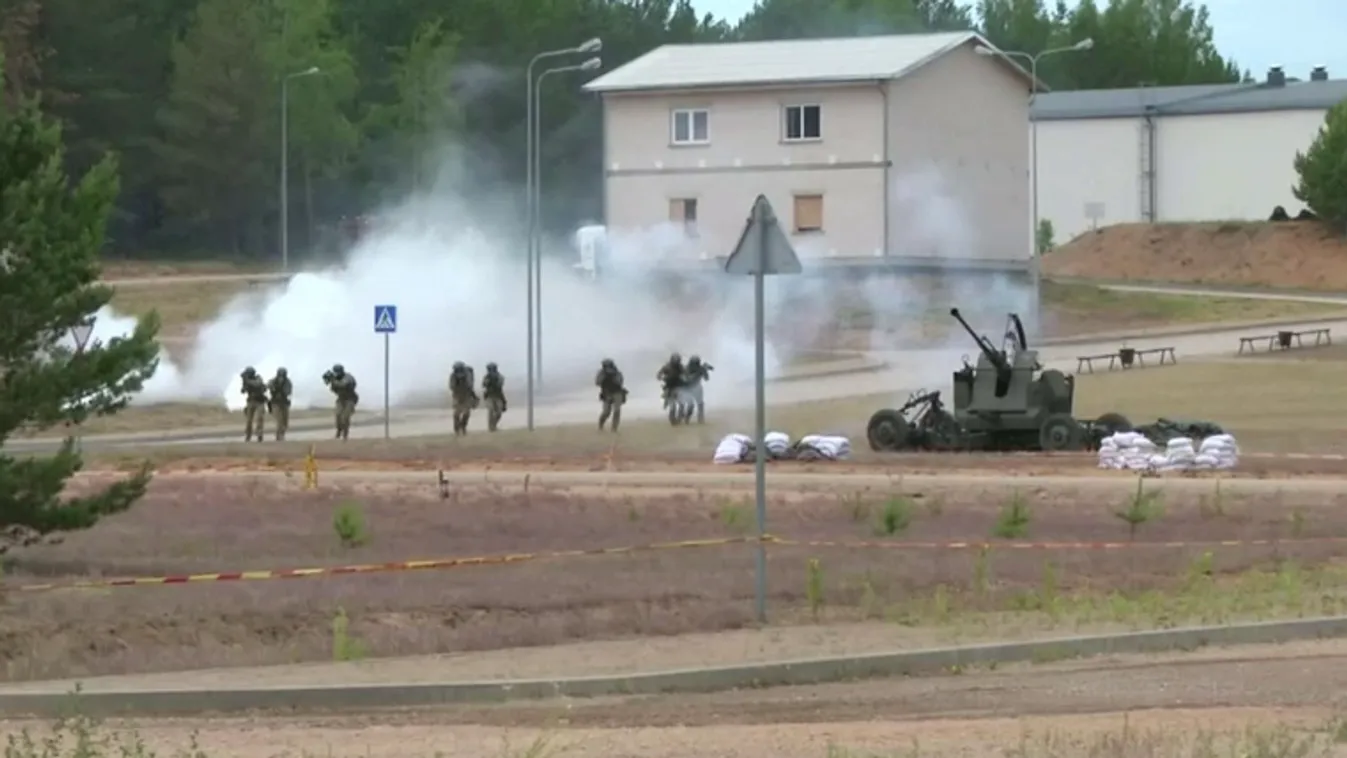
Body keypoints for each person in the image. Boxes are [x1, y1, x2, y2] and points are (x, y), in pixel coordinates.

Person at [323, 363, 359, 440]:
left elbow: (344, 384)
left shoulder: (348, 377)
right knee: (338, 415)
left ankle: (345, 434)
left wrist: (333, 380)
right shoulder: (336, 379)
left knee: (345, 417)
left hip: (350, 399)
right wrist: (330, 381)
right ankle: (339, 431)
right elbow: (334, 390)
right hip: (341, 399)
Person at [595, 357, 627, 432]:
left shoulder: (617, 372)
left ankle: (614, 428)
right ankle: (601, 425)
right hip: (607, 393)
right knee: (606, 412)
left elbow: (620, 382)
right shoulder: (601, 373)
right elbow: (597, 382)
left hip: (617, 392)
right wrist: (604, 377)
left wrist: (613, 377)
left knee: (617, 410)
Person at [448, 361, 478, 436]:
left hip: (466, 395)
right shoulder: (453, 376)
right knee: (456, 414)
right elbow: (452, 386)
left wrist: (471, 395)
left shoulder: (467, 375)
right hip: (457, 395)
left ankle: (463, 427)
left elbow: (470, 385)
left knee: (466, 413)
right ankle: (457, 429)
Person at [239, 366, 268, 442]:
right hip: (251, 401)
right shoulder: (247, 381)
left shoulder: (258, 378)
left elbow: (257, 384)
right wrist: (244, 383)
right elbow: (243, 391)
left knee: (260, 418)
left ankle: (259, 434)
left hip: (260, 401)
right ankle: (248, 435)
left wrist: (247, 380)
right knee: (249, 420)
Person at [685, 354, 714, 424]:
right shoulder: (687, 369)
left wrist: (705, 370)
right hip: (689, 388)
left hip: (696, 388)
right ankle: (688, 418)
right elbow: (687, 378)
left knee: (699, 404)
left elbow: (706, 378)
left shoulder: (699, 369)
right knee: (692, 405)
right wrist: (702, 371)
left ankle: (699, 418)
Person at [267, 367, 293, 441]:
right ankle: (279, 435)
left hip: (284, 403)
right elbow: (268, 385)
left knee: (285, 421)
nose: (281, 377)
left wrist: (282, 390)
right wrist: (273, 388)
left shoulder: (287, 382)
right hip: (275, 403)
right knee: (279, 420)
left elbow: (288, 391)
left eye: (282, 375)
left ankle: (282, 433)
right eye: (280, 375)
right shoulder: (273, 381)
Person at [481, 362, 507, 432]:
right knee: (491, 410)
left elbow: (500, 385)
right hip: (489, 396)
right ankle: (491, 427)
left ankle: (494, 424)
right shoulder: (486, 377)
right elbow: (483, 385)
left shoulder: (499, 376)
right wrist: (488, 381)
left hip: (498, 395)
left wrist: (496, 380)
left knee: (499, 412)